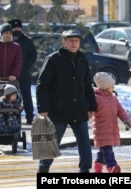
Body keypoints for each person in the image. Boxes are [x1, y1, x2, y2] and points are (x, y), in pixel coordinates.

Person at [36, 29, 97, 173]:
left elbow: (87, 85)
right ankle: (43, 170)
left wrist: (92, 106)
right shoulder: (53, 59)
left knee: (84, 144)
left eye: (76, 40)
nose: (74, 43)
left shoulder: (82, 59)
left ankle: (84, 171)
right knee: (52, 145)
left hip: (79, 109)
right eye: (70, 40)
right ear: (64, 42)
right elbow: (42, 85)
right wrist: (42, 108)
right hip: (59, 110)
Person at [92, 72, 131, 173]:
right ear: (105, 87)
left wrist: (126, 120)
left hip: (111, 130)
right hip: (101, 131)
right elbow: (90, 111)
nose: (113, 87)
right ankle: (112, 168)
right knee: (108, 151)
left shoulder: (113, 98)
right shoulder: (96, 98)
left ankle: (98, 168)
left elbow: (121, 111)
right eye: (111, 85)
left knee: (103, 152)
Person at [8, 19, 37, 124]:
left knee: (26, 96)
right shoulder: (7, 40)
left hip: (24, 73)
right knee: (10, 96)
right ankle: (11, 116)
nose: (17, 29)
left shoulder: (27, 41)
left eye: (19, 27)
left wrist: (26, 66)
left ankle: (29, 117)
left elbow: (33, 55)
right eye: (14, 28)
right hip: (10, 74)